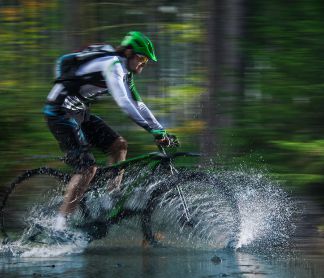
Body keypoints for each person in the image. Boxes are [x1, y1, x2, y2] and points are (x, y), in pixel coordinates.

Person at [43, 31, 177, 229]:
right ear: (129, 52)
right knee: (87, 168)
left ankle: (109, 199)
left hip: (79, 110)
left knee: (119, 145)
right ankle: (59, 226)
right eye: (141, 58)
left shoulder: (126, 74)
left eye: (146, 61)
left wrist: (160, 130)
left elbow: (138, 105)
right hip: (60, 111)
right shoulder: (113, 65)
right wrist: (152, 130)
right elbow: (124, 103)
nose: (143, 63)